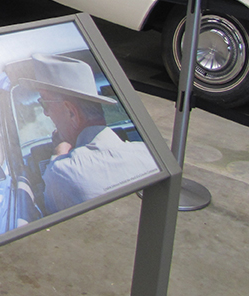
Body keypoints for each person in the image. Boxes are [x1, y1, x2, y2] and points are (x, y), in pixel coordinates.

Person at [25, 54, 158, 214]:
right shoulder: (148, 153)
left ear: (71, 112)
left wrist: (58, 157)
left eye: (45, 103)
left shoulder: (61, 172)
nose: (46, 113)